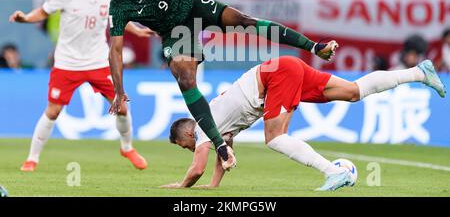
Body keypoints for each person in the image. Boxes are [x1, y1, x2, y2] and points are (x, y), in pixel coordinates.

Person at [105, 0, 338, 170]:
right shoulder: (118, 4)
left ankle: (314, 47)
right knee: (185, 79)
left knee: (245, 21)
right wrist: (118, 90)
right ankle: (221, 146)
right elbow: (115, 50)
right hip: (174, 34)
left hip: (193, 7)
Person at [163, 55, 445, 191]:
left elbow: (196, 167)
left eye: (183, 144)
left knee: (274, 137)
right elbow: (224, 150)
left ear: (188, 132)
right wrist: (214, 185)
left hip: (273, 77)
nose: (188, 148)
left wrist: (181, 186)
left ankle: (332, 171)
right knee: (353, 92)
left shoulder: (201, 125)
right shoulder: (216, 126)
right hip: (282, 68)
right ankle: (419, 73)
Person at [9, 0, 152, 172]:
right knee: (53, 111)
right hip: (67, 62)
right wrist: (25, 18)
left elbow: (120, 17)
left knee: (122, 106)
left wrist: (138, 30)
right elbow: (44, 12)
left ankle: (127, 148)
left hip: (98, 61)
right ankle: (32, 158)